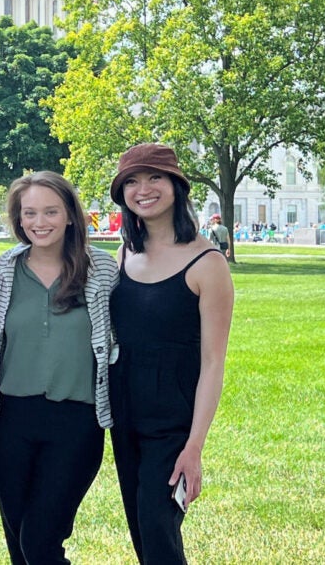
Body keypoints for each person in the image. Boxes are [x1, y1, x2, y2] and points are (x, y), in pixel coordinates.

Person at [0, 172, 118, 564]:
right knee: (19, 542)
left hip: (76, 421)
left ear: (71, 216)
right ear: (18, 219)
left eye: (51, 211)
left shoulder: (103, 270)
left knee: (41, 540)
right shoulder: (3, 271)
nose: (40, 222)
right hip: (8, 421)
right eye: (30, 213)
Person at [108, 143, 236, 564]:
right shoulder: (125, 254)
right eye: (131, 182)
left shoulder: (207, 263)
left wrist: (194, 446)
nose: (142, 189)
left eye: (154, 178)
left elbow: (214, 362)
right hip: (125, 413)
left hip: (173, 422)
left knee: (158, 529)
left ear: (176, 186)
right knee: (144, 536)